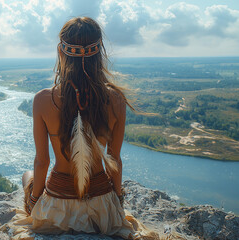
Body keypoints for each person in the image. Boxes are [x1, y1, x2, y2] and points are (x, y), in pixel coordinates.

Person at [12, 17, 157, 239]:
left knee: (27, 175)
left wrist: (33, 203)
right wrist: (117, 202)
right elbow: (114, 160)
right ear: (99, 53)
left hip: (57, 208)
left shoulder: (43, 100)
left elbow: (42, 162)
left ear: (61, 52)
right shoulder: (116, 99)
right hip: (101, 207)